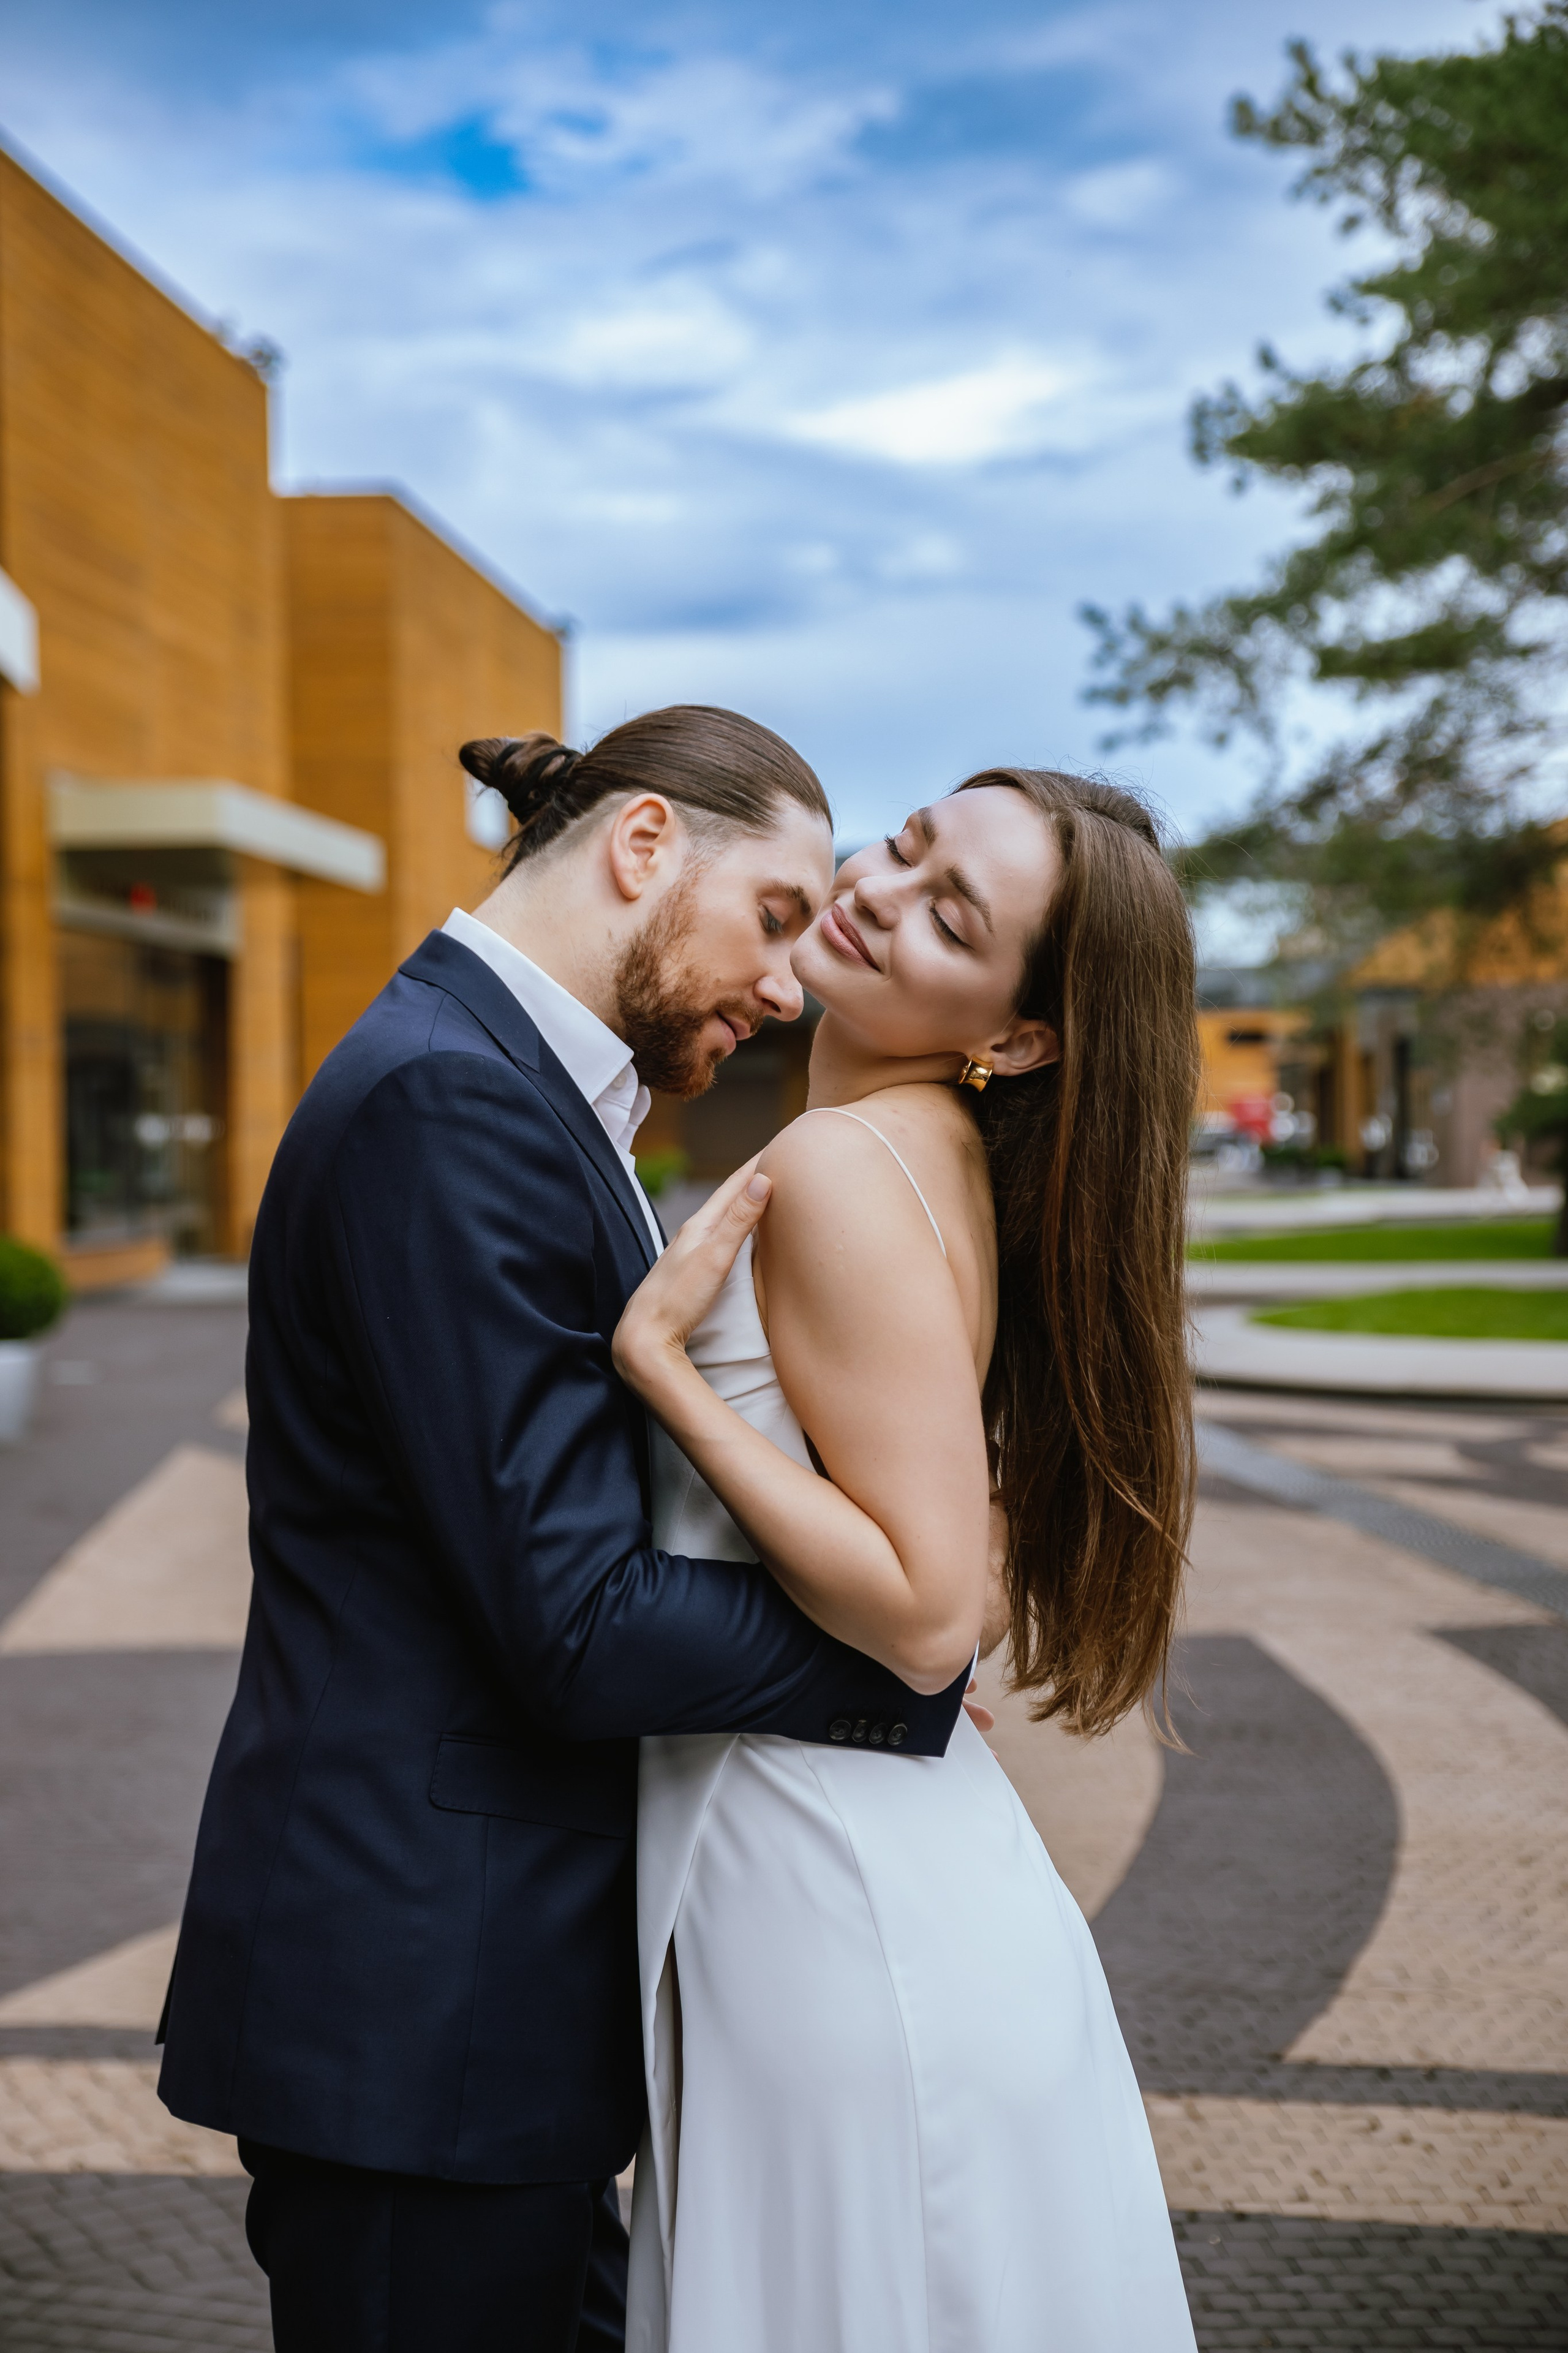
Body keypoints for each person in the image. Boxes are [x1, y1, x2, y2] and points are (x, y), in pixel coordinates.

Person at [156, 707, 970, 2353]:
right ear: (645, 842)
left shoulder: (518, 1079)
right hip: (417, 2007)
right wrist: (911, 1639)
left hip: (467, 2012)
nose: (792, 983)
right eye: (773, 917)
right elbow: (577, 1616)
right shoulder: (449, 1101)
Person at [612, 769, 1200, 2352]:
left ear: (1017, 1038)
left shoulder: (843, 1167)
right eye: (914, 840)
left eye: (952, 915)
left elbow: (934, 1609)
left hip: (833, 1908)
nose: (878, 887)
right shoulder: (933, 1150)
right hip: (884, 1874)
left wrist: (665, 1371)